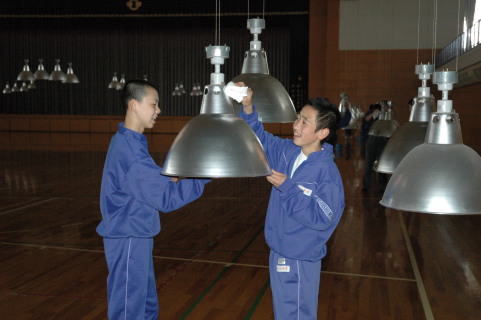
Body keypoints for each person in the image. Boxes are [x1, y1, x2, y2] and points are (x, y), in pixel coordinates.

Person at [96, 79, 210, 320]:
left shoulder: (129, 142)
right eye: (154, 104)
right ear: (134, 105)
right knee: (129, 309)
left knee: (146, 306)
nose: (158, 110)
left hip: (137, 234)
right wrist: (203, 175)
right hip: (128, 237)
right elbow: (166, 197)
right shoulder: (131, 152)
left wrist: (181, 174)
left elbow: (154, 181)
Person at [237, 83, 345, 319]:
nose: (296, 125)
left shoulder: (326, 175)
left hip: (299, 259)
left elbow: (322, 218)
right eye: (298, 118)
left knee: (295, 314)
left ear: (322, 133)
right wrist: (247, 107)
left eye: (305, 122)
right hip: (280, 251)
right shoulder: (288, 152)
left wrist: (288, 188)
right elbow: (257, 138)